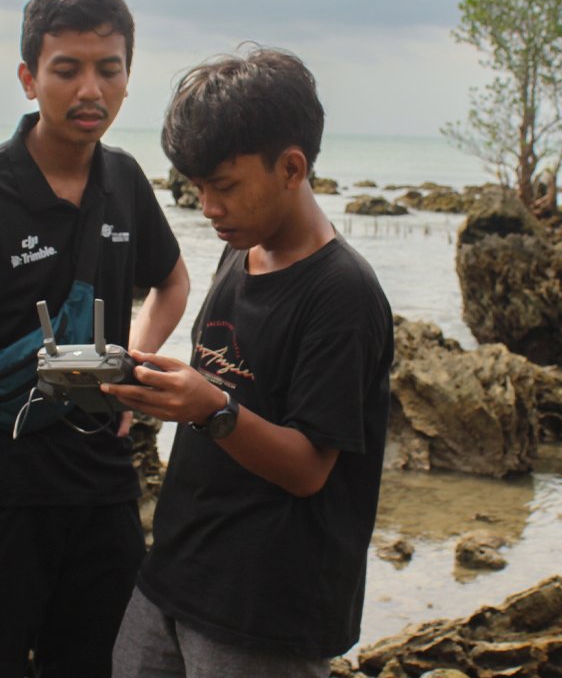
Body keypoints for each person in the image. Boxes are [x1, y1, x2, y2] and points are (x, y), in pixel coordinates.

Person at [0, 0, 191, 677]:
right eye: (67, 69)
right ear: (30, 79)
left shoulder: (125, 181)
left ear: (127, 78)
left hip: (103, 498)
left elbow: (173, 282)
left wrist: (126, 373)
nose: (90, 88)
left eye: (108, 68)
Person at [100, 47, 394, 677]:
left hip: (267, 613)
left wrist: (210, 408)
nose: (207, 206)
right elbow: (218, 384)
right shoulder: (242, 251)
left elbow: (310, 468)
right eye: (197, 187)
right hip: (174, 578)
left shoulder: (343, 294)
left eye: (224, 186)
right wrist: (150, 386)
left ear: (291, 167)